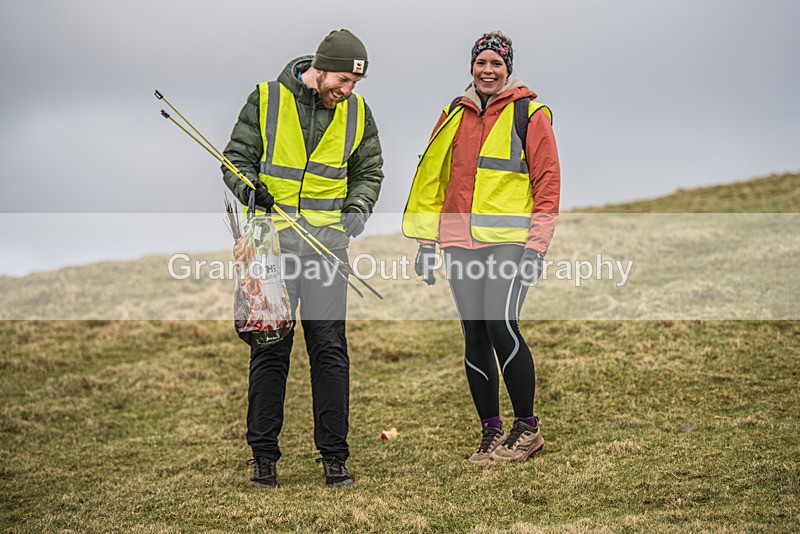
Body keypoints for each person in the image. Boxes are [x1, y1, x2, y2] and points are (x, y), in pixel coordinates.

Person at [222, 29, 384, 487]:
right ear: (321, 67)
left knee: (329, 350)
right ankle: (263, 459)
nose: (347, 90)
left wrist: (358, 208)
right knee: (270, 349)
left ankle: (334, 457)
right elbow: (234, 159)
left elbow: (369, 170)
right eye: (343, 80)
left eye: (355, 83)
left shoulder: (358, 113)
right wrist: (249, 188)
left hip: (328, 250)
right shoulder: (266, 99)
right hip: (270, 250)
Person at [402, 31, 560, 463]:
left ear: (508, 68)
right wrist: (426, 242)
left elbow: (548, 184)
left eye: (496, 64)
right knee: (474, 332)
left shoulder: (531, 114)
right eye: (481, 63)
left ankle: (527, 428)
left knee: (500, 323)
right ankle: (491, 431)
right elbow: (432, 179)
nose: (487, 71)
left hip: (509, 242)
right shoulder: (453, 114)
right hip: (458, 241)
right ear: (471, 66)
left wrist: (537, 248)